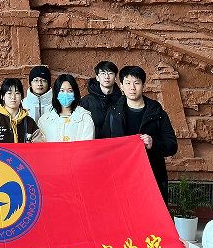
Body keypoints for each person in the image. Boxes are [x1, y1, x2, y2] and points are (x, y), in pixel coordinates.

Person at [102, 65, 177, 204]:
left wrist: (153, 144)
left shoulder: (157, 113)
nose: (132, 88)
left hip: (151, 176)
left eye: (136, 83)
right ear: (121, 86)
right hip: (121, 177)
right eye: (128, 83)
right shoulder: (113, 113)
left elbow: (172, 145)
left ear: (143, 85)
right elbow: (104, 146)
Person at [35, 74, 95, 142]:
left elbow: (87, 144)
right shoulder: (45, 120)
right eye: (62, 90)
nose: (66, 94)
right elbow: (41, 145)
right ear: (56, 93)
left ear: (75, 93)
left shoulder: (84, 117)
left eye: (70, 91)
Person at [0, 78, 44, 143]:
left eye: (17, 93)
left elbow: (38, 147)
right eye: (9, 93)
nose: (13, 97)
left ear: (22, 97)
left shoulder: (30, 123)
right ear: (2, 97)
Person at [79, 60, 123, 139]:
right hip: (93, 145)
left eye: (110, 73)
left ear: (115, 77)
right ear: (97, 77)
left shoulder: (122, 101)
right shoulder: (86, 101)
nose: (107, 77)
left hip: (116, 145)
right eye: (103, 73)